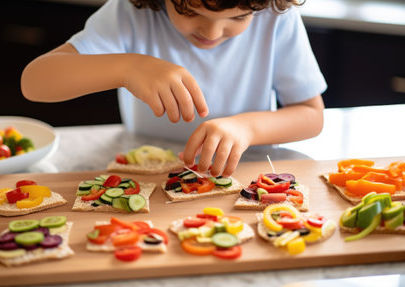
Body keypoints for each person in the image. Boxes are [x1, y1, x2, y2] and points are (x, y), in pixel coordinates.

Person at [21, 0, 326, 177]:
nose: (213, 32)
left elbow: (311, 115)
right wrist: (128, 68)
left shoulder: (274, 16)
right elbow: (34, 82)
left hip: (245, 172)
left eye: (237, 17)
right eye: (192, 11)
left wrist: (247, 129)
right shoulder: (130, 13)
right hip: (144, 172)